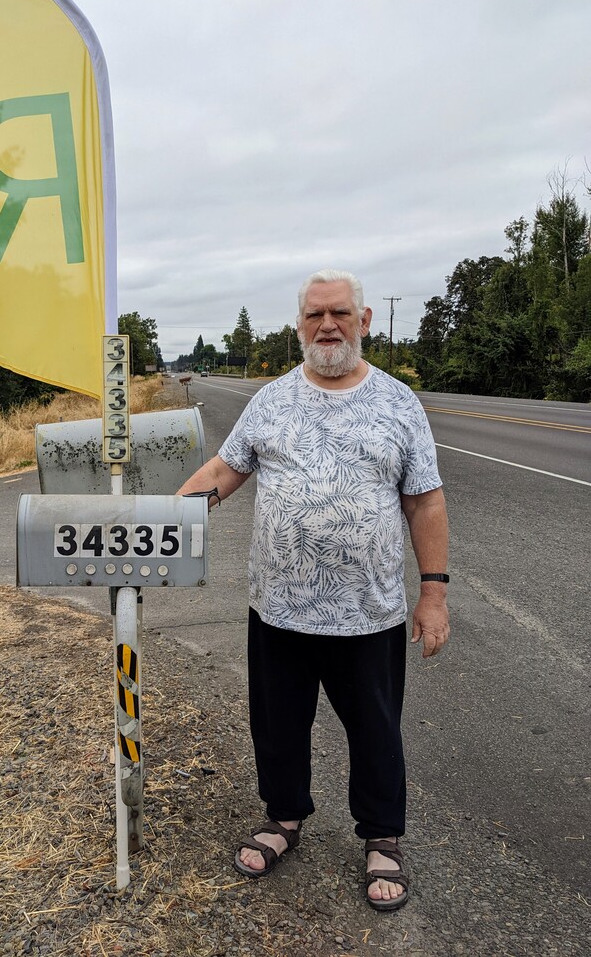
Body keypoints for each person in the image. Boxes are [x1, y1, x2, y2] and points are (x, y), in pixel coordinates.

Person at [178, 267, 450, 911]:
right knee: (278, 727)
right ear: (298, 324)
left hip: (368, 613)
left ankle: (382, 836)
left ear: (364, 321)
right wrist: (163, 520)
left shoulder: (398, 402)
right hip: (279, 609)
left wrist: (433, 593)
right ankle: (284, 818)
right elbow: (226, 468)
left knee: (376, 730)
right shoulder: (271, 400)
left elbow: (427, 503)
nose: (327, 326)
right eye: (314, 316)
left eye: (339, 314)